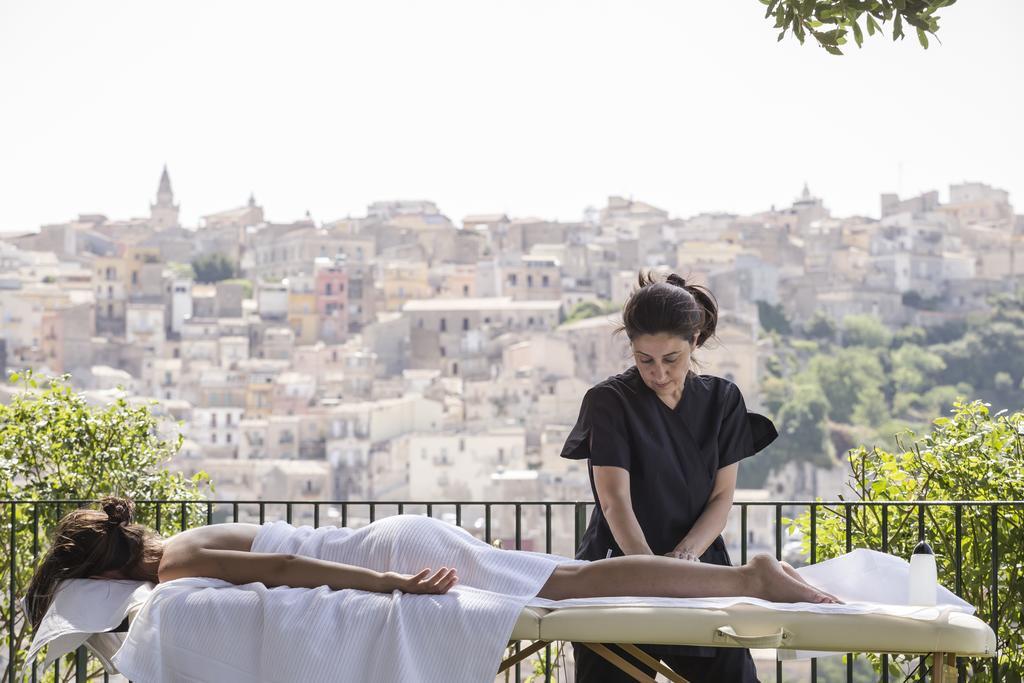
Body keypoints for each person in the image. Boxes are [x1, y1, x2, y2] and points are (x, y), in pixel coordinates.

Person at [25, 497, 836, 632]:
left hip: (396, 554)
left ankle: (747, 576)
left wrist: (390, 585)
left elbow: (294, 569)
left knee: (582, 581)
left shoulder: (180, 562)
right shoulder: (187, 546)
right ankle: (745, 576)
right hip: (392, 538)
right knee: (578, 578)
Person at [561, 271, 779, 683]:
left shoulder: (723, 400)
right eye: (645, 360)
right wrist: (649, 573)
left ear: (694, 342)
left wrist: (684, 560)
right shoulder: (609, 401)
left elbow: (721, 497)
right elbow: (614, 503)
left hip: (700, 568)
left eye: (671, 360)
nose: (658, 373)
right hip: (618, 568)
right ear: (632, 349)